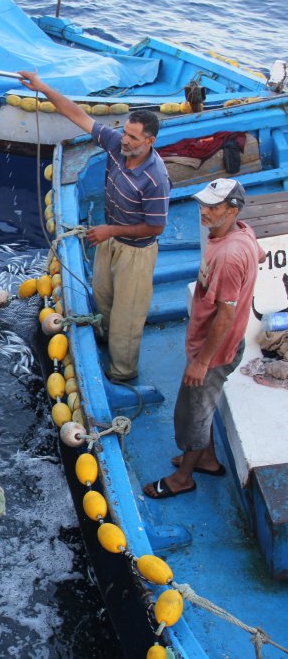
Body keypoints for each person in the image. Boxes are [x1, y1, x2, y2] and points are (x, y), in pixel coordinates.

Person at [18, 71, 171, 382]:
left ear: (150, 141)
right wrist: (43, 86)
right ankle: (100, 339)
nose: (125, 140)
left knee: (127, 317)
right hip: (110, 236)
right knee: (102, 296)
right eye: (125, 133)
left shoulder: (156, 178)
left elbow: (155, 228)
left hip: (136, 252)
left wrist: (110, 231)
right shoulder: (116, 145)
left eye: (133, 138)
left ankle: (122, 372)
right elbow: (76, 114)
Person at [144, 179, 263, 498]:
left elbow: (225, 315)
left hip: (214, 350)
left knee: (193, 413)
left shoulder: (228, 255)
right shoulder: (242, 232)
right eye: (203, 204)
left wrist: (202, 362)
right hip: (214, 344)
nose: (203, 211)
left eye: (213, 207)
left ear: (232, 209)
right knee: (201, 405)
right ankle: (207, 459)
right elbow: (260, 256)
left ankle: (184, 478)